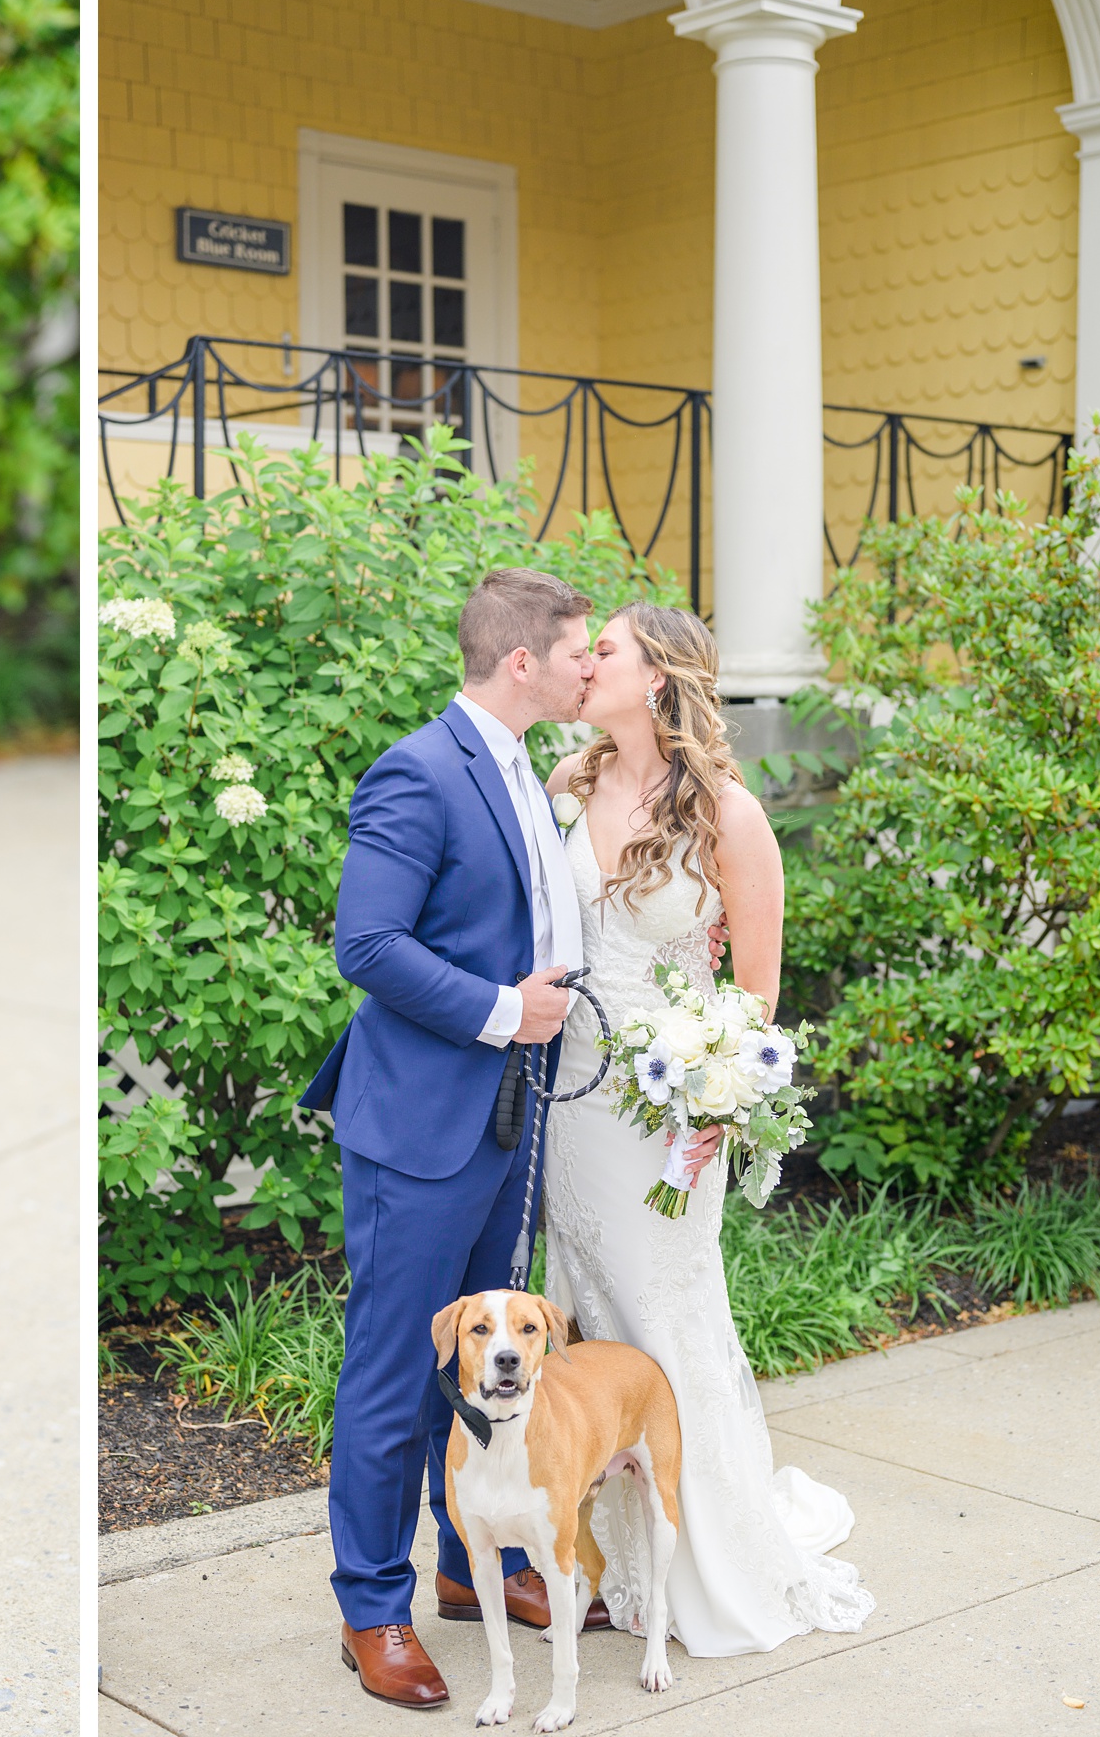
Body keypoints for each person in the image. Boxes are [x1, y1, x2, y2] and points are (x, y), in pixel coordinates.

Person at [540, 603, 874, 1654]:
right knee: (588, 1311)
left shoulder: (730, 814)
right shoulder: (571, 782)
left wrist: (714, 1096)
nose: (585, 664)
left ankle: (708, 1561)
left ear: (659, 679)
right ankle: (605, 1558)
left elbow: (757, 998)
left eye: (606, 652)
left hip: (664, 1115)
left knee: (661, 1318)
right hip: (567, 1096)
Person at [298, 568, 599, 1710]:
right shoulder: (417, 772)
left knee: (492, 1362)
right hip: (422, 1125)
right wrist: (500, 1009)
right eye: (577, 649)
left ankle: (480, 1567)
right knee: (395, 1372)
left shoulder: (526, 770)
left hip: (509, 1120)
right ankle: (373, 1607)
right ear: (522, 661)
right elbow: (365, 943)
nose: (588, 665)